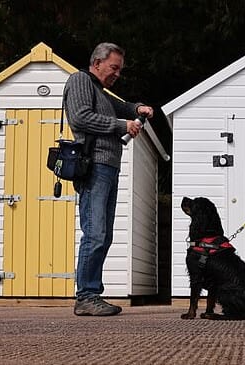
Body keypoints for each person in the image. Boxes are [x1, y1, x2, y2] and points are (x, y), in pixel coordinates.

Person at [64, 42, 154, 316]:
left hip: (108, 167)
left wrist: (138, 109)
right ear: (97, 63)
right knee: (95, 232)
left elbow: (123, 106)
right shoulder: (80, 81)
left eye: (119, 70)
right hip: (94, 167)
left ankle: (90, 294)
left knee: (104, 234)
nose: (117, 73)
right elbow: (80, 118)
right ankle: (86, 296)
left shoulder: (100, 91)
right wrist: (121, 125)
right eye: (114, 67)